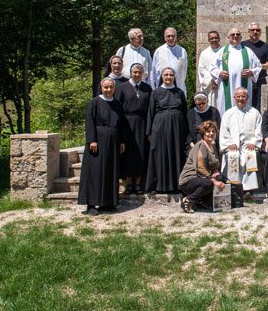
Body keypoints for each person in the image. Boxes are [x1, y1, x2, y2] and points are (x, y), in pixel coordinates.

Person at [79, 78, 126, 215]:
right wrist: (91, 140)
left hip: (113, 142)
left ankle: (108, 203)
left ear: (114, 88)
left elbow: (121, 124)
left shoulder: (117, 104)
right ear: (101, 87)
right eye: (106, 87)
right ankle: (91, 204)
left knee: (110, 172)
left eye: (111, 87)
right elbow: (89, 122)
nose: (108, 90)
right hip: (97, 142)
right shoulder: (95, 102)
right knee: (95, 172)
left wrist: (122, 141)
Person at [145, 67, 188, 194]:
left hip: (177, 128)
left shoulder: (179, 92)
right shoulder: (156, 92)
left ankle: (177, 185)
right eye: (166, 75)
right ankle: (159, 186)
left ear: (174, 77)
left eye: (171, 75)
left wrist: (185, 131)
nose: (168, 77)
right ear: (162, 76)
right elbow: (150, 112)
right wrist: (149, 132)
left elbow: (184, 112)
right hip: (160, 127)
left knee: (176, 154)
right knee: (160, 154)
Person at [115, 63, 152, 195]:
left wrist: (149, 129)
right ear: (131, 72)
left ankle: (138, 184)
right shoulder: (122, 87)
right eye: (134, 72)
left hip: (142, 123)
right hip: (127, 123)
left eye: (139, 72)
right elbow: (117, 108)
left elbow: (150, 109)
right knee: (128, 154)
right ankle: (128, 184)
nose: (137, 74)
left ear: (143, 74)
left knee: (141, 153)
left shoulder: (147, 88)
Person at [219, 86, 263, 193]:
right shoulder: (228, 113)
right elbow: (224, 132)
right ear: (234, 98)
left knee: (250, 155)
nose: (240, 99)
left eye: (243, 96)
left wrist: (254, 143)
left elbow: (259, 130)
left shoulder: (254, 112)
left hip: (249, 145)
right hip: (233, 145)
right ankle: (234, 186)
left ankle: (248, 188)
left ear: (247, 97)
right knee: (233, 155)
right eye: (238, 96)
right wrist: (229, 143)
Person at [178, 121, 226, 213]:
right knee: (209, 183)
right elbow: (200, 168)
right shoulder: (201, 145)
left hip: (201, 176)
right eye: (208, 131)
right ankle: (188, 200)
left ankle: (202, 201)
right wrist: (214, 181)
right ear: (203, 133)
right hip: (189, 179)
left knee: (221, 178)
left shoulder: (212, 146)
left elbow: (214, 163)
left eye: (213, 131)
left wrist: (216, 171)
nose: (211, 133)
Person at [210, 28, 262, 113]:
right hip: (226, 86)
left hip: (244, 84)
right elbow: (212, 67)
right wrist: (219, 73)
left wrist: (251, 72)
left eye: (238, 34)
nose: (235, 36)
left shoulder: (248, 51)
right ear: (228, 37)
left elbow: (258, 66)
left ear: (241, 37)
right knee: (226, 109)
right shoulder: (222, 51)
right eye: (233, 34)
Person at [242, 23, 268, 108]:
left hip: (260, 81)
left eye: (257, 30)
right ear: (249, 32)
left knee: (259, 106)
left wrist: (257, 68)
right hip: (245, 80)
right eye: (253, 30)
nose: (255, 32)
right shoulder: (242, 46)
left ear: (260, 32)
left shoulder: (265, 46)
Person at [151, 27, 189, 94]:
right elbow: (154, 70)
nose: (171, 38)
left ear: (176, 37)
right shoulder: (159, 51)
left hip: (178, 86)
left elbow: (184, 69)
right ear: (165, 38)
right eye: (168, 36)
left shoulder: (182, 51)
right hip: (163, 85)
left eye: (173, 36)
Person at [197, 31, 223, 107]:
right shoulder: (204, 53)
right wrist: (212, 80)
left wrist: (218, 80)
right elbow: (202, 69)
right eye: (212, 38)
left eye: (216, 38)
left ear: (219, 39)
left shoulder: (225, 51)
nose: (214, 40)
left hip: (222, 83)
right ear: (208, 40)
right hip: (209, 86)